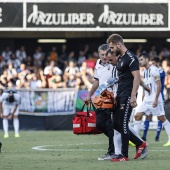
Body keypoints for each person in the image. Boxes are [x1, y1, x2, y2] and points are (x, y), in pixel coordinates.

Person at [107, 33, 148, 162]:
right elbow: (125, 76)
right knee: (115, 124)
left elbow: (136, 77)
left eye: (112, 47)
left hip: (128, 95)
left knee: (123, 124)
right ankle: (140, 143)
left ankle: (124, 155)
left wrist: (133, 96)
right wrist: (114, 81)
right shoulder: (121, 58)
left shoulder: (131, 58)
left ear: (119, 44)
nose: (111, 50)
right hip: (119, 94)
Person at [85, 44, 115, 160]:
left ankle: (112, 152)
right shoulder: (98, 63)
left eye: (105, 54)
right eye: (101, 55)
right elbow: (96, 81)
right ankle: (118, 141)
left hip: (111, 98)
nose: (104, 57)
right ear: (98, 54)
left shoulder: (113, 63)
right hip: (101, 99)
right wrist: (89, 94)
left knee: (110, 126)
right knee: (99, 124)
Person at [134, 52, 170, 147]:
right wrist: (143, 97)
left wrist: (156, 99)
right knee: (137, 116)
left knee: (162, 118)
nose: (140, 62)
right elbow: (146, 86)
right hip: (146, 100)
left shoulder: (154, 70)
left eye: (141, 59)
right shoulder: (144, 71)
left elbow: (159, 85)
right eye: (139, 60)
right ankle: (136, 139)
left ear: (147, 59)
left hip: (155, 99)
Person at [141, 57, 166, 142]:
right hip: (149, 97)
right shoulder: (148, 71)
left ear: (158, 63)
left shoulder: (161, 71)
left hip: (159, 96)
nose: (152, 65)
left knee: (160, 117)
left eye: (154, 63)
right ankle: (144, 136)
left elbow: (158, 82)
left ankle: (157, 136)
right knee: (147, 116)